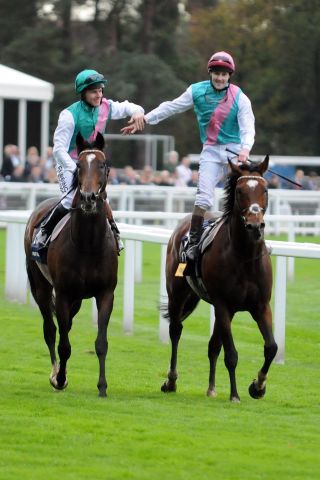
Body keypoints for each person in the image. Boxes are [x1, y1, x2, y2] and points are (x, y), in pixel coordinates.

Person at [122, 51, 255, 261]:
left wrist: (245, 149)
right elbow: (171, 107)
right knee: (204, 197)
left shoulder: (240, 97)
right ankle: (193, 243)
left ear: (230, 75)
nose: (220, 78)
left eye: (224, 74)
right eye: (217, 73)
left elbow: (248, 128)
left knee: (248, 190)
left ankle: (256, 239)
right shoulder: (196, 91)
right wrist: (145, 119)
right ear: (210, 72)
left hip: (234, 150)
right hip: (211, 150)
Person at [33, 68, 145, 253]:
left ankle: (114, 231)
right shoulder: (69, 115)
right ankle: (44, 232)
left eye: (101, 90)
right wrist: (75, 168)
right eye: (94, 91)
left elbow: (128, 107)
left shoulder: (106, 106)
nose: (99, 95)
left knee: (100, 194)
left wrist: (138, 112)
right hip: (69, 162)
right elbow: (59, 149)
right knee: (71, 199)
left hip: (92, 162)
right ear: (83, 93)